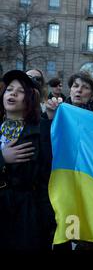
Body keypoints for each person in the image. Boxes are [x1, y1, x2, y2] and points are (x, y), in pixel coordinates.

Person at [0, 70, 54, 250]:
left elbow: (46, 179)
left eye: (20, 91)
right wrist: (2, 158)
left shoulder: (41, 130)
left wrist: (49, 222)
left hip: (25, 214)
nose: (13, 93)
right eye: (9, 89)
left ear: (29, 99)